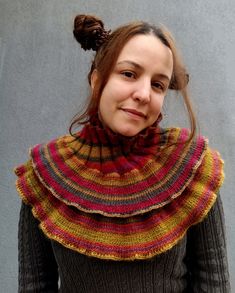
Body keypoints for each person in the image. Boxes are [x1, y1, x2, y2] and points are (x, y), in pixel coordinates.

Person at [14, 14, 230, 292]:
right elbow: (34, 285)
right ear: (97, 79)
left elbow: (214, 285)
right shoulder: (45, 175)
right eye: (129, 74)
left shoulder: (192, 166)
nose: (143, 94)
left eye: (158, 84)